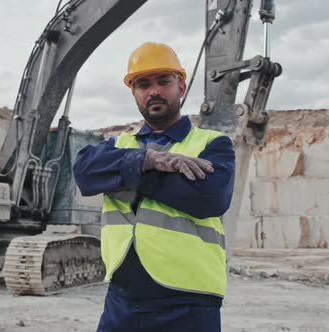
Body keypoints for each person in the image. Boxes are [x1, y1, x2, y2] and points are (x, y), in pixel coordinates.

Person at [73, 42, 235, 332]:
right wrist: (147, 160)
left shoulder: (213, 144)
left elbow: (209, 198)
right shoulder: (121, 143)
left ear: (181, 86)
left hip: (190, 301)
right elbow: (84, 171)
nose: (154, 90)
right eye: (143, 84)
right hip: (122, 299)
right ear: (133, 93)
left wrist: (128, 176)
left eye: (164, 81)